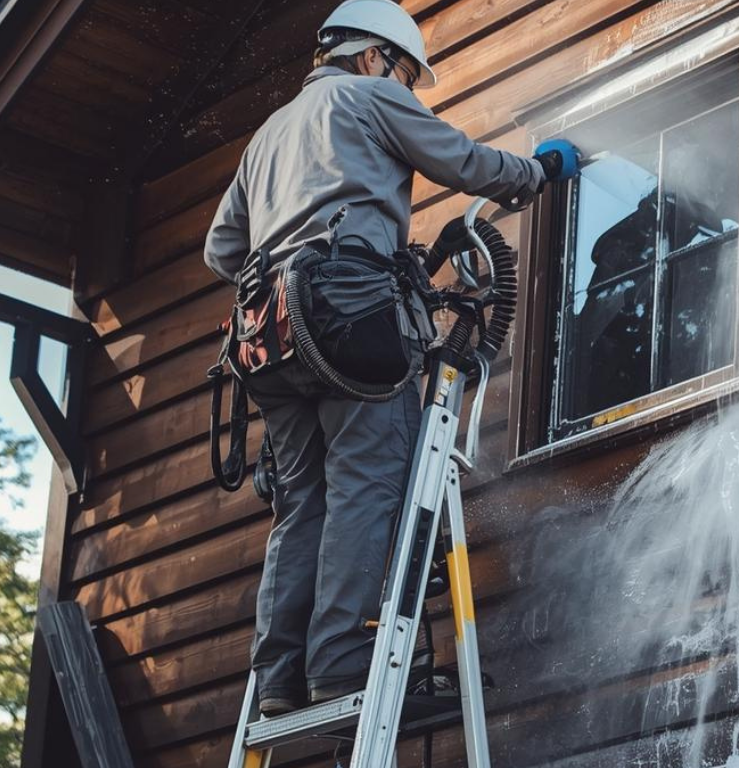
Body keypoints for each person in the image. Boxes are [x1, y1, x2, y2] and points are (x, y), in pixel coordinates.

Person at [202, 0, 579, 717]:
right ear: (374, 56)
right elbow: (462, 160)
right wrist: (536, 171)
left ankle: (280, 676)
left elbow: (222, 251)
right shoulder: (370, 96)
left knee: (299, 501)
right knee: (368, 479)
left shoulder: (267, 136)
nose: (406, 88)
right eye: (406, 74)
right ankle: (341, 662)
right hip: (347, 319)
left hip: (271, 337)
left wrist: (287, 244)